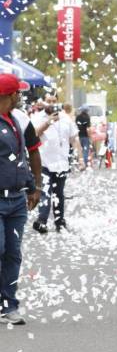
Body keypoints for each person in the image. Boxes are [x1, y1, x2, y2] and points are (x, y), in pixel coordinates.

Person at [0, 74, 42, 325]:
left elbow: (34, 152)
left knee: (13, 254)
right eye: (17, 93)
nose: (20, 97)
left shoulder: (20, 120)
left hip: (17, 199)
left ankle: (9, 304)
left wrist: (36, 186)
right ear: (8, 95)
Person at [31, 100, 84, 233]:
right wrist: (48, 122)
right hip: (44, 163)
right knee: (45, 192)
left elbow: (74, 139)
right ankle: (41, 221)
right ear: (43, 103)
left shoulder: (66, 118)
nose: (51, 103)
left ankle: (59, 222)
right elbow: (34, 134)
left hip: (62, 163)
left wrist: (81, 158)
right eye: (48, 101)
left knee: (59, 194)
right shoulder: (38, 117)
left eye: (54, 101)